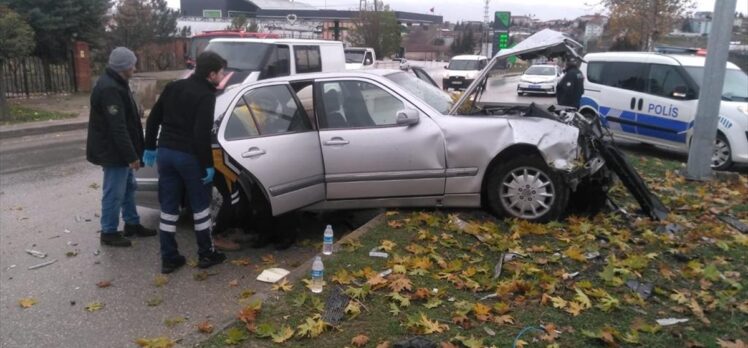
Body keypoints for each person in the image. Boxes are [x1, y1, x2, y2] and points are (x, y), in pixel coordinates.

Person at [143, 51, 227, 274]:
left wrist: (150, 146)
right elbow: (201, 133)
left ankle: (169, 257)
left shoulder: (174, 87)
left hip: (166, 154)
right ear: (211, 74)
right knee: (200, 207)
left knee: (169, 208)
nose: (223, 76)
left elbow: (153, 118)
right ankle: (206, 254)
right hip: (189, 156)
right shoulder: (206, 95)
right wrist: (207, 164)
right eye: (221, 72)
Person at [87, 47, 157, 247]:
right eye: (132, 64)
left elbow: (126, 119)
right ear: (124, 66)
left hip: (120, 151)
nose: (135, 67)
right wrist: (131, 156)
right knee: (114, 191)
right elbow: (117, 128)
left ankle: (132, 224)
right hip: (113, 152)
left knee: (128, 187)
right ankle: (108, 232)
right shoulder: (110, 88)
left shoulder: (119, 83)